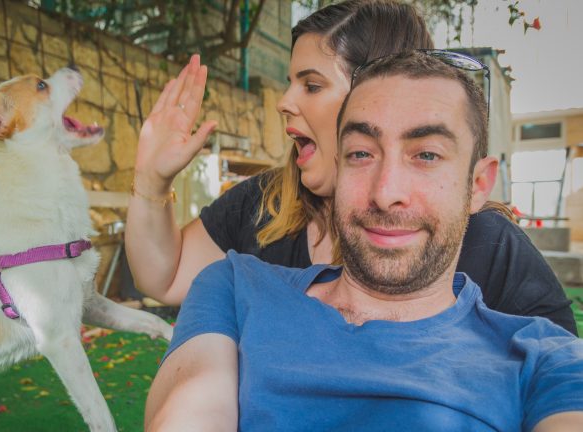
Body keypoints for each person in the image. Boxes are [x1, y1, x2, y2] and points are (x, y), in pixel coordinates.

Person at [133, 50, 583, 432]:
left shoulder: (544, 358)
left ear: (479, 185)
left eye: (426, 155)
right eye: (361, 154)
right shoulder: (235, 287)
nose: (386, 192)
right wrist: (150, 185)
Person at [125, 0, 576, 334]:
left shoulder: (485, 244)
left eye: (312, 84)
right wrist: (151, 182)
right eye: (291, 82)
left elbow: (558, 389)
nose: (285, 103)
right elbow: (165, 277)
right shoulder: (265, 201)